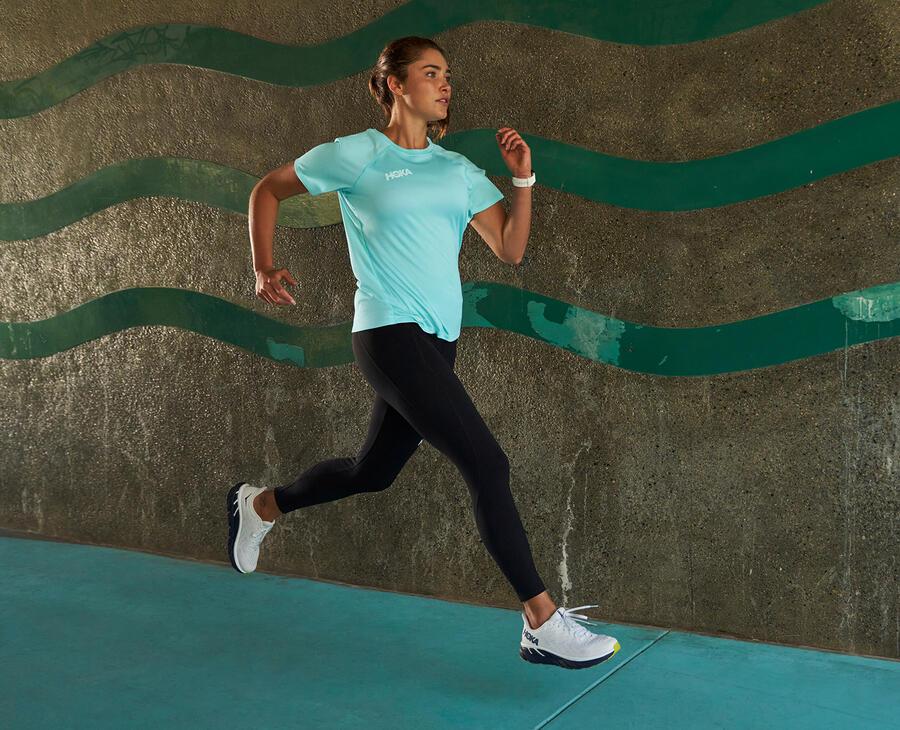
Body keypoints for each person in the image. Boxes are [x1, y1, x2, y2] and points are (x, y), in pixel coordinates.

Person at [227, 36, 620, 670]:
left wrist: (522, 179)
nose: (445, 85)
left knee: (372, 473)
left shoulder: (456, 170)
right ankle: (541, 621)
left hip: (439, 342)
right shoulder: (358, 154)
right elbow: (267, 190)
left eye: (447, 76)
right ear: (396, 84)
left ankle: (261, 504)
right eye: (431, 73)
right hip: (387, 332)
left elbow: (510, 248)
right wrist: (263, 265)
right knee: (487, 464)